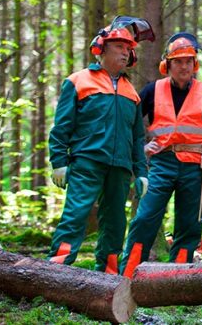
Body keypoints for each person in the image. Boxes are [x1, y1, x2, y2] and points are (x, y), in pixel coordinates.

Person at [48, 16, 154, 273]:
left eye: (128, 49)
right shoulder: (78, 81)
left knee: (115, 222)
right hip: (87, 161)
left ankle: (106, 274)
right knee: (76, 215)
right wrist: (59, 162)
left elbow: (137, 137)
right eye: (120, 46)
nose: (125, 52)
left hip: (120, 167)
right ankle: (56, 270)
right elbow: (62, 126)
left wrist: (141, 173)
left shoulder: (131, 91)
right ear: (102, 48)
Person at [120, 32, 202, 277]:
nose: (184, 66)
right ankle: (127, 273)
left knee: (189, 225)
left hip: (196, 166)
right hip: (161, 162)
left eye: (188, 61)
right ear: (167, 65)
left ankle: (176, 278)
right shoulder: (152, 90)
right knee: (145, 217)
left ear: (195, 65)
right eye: (178, 61)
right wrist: (140, 150)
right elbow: (133, 124)